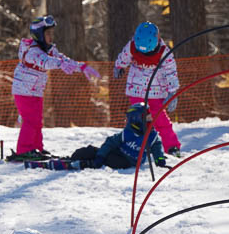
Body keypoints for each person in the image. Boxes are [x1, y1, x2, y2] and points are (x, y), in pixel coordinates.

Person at [10, 15, 100, 160]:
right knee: (30, 121)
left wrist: (81, 67)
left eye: (52, 33)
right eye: (47, 34)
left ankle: (36, 148)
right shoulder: (31, 50)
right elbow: (45, 62)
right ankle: (24, 150)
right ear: (38, 35)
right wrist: (60, 64)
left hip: (35, 91)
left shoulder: (49, 49)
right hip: (23, 91)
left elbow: (63, 59)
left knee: (37, 121)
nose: (51, 37)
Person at [23, 102, 169, 171]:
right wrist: (99, 155)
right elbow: (110, 143)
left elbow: (157, 147)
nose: (151, 120)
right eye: (147, 118)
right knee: (88, 151)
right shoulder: (127, 133)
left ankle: (88, 163)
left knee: (117, 161)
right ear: (137, 119)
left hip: (127, 161)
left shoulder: (152, 135)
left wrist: (160, 159)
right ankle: (74, 159)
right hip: (115, 153)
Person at [113, 21, 182, 156]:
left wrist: (172, 92)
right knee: (138, 119)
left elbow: (171, 72)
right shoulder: (132, 46)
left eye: (149, 53)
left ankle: (172, 147)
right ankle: (136, 147)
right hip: (136, 90)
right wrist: (119, 66)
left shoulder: (164, 52)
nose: (145, 56)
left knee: (160, 119)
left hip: (156, 92)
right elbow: (124, 57)